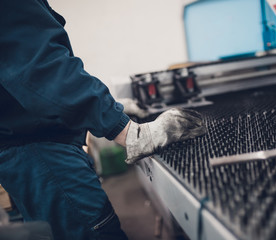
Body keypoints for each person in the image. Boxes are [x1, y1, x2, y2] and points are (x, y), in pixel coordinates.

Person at [0, 0, 207, 239]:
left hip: (33, 152)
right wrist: (126, 130)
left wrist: (110, 109)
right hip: (42, 155)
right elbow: (41, 70)